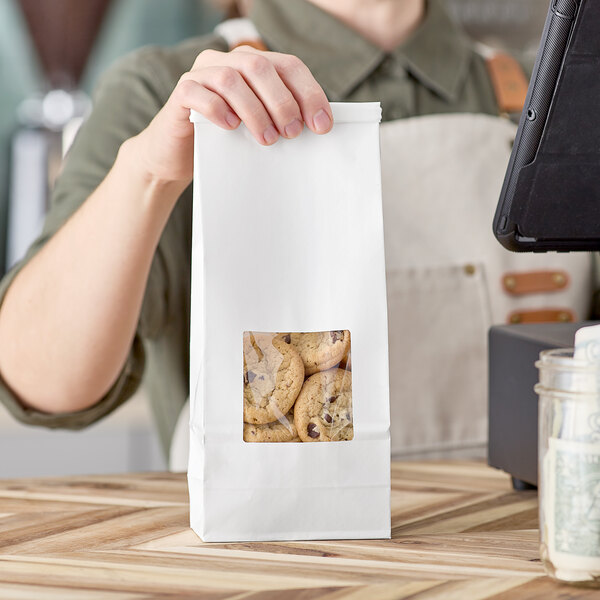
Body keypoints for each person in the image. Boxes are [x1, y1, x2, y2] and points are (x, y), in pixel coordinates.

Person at [0, 0, 593, 466]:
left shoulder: (556, 93)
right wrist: (150, 172)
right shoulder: (164, 91)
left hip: (510, 562)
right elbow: (43, 383)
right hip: (267, 570)